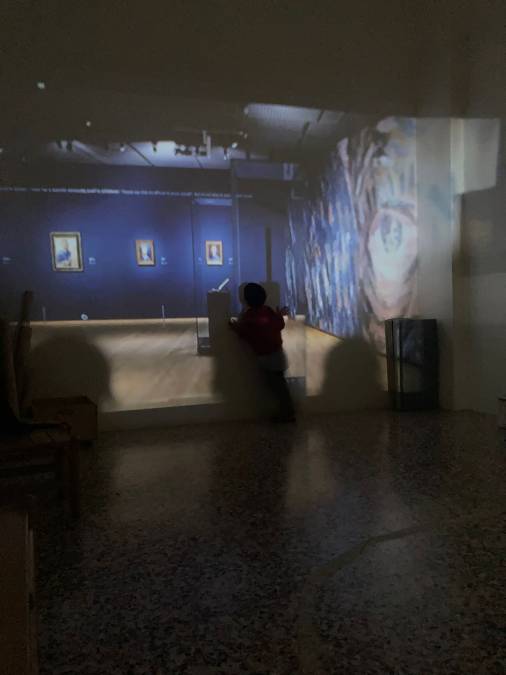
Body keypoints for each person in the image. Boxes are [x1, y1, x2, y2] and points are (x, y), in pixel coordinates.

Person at [229, 282, 295, 423]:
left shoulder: (249, 317)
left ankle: (287, 413)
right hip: (278, 354)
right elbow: (279, 325)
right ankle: (287, 411)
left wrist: (234, 327)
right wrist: (279, 315)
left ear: (245, 300)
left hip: (266, 358)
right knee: (280, 386)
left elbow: (244, 333)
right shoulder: (268, 311)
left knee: (276, 386)